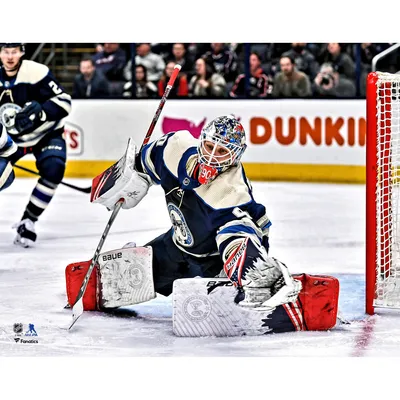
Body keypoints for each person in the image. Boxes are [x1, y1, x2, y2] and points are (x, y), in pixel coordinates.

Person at [90, 115, 301, 309]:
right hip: (176, 247)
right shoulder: (174, 147)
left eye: (221, 152)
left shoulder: (232, 192)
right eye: (209, 146)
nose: (211, 157)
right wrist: (132, 177)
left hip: (213, 261)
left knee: (237, 246)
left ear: (236, 155)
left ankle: (257, 281)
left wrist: (251, 269)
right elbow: (143, 161)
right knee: (123, 279)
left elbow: (242, 234)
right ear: (201, 141)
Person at [0, 43, 72, 247]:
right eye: (6, 51)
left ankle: (28, 221)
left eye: (14, 51)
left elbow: (65, 101)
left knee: (54, 168)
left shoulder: (36, 72)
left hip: (46, 134)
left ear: (22, 52)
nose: (10, 56)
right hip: (11, 139)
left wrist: (41, 112)